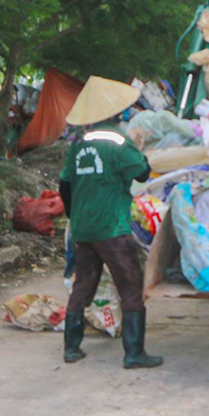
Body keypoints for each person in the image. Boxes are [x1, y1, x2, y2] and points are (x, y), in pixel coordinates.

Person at [58, 75, 164, 369]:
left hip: (84, 229)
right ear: (116, 112)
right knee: (130, 285)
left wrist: (75, 214)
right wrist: (140, 153)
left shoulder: (78, 145)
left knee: (83, 285)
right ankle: (134, 353)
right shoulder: (118, 140)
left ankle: (71, 348)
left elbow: (64, 186)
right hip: (112, 228)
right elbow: (142, 173)